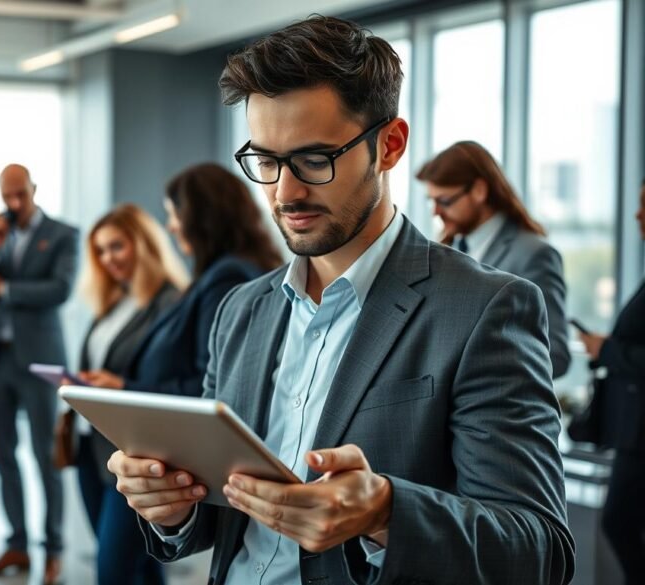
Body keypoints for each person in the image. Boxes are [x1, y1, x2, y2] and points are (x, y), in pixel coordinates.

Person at [108, 15, 574, 585]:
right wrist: (172, 505)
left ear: (389, 146)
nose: (285, 192)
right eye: (268, 161)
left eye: (313, 159)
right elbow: (216, 521)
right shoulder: (241, 312)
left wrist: (384, 513)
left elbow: (538, 551)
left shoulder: (486, 309)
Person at [0, 164, 78, 585]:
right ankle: (16, 545)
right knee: (3, 456)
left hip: (40, 362)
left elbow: (60, 290)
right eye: (6, 196)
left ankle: (53, 550)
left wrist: (6, 289)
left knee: (47, 457)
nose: (12, 204)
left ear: (33, 190)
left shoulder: (64, 234)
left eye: (19, 196)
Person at [81, 163, 283, 398]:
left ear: (201, 217)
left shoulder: (227, 278)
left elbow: (211, 384)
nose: (171, 226)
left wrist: (124, 388)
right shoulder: (222, 274)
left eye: (174, 214)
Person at [72, 204, 189, 584]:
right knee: (143, 564)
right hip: (91, 448)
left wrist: (120, 386)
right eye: (101, 251)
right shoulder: (112, 303)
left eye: (116, 246)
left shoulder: (172, 304)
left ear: (142, 245)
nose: (108, 259)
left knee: (113, 570)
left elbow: (188, 383)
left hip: (136, 455)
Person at [418, 140, 571, 378]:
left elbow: (556, 355)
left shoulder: (533, 254)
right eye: (432, 200)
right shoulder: (444, 252)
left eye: (444, 201)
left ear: (479, 190)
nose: (435, 212)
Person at [577, 179, 645, 585]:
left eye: (643, 205)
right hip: (633, 432)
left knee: (619, 522)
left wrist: (608, 351)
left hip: (640, 438)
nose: (637, 215)